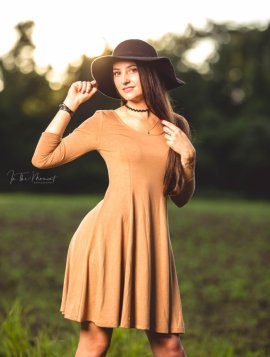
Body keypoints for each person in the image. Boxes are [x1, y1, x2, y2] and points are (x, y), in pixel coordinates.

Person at [32, 39, 196, 357]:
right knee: (96, 343)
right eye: (118, 72)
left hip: (152, 243)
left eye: (132, 70)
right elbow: (42, 159)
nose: (123, 78)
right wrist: (69, 106)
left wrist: (189, 161)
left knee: (170, 346)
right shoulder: (103, 122)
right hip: (104, 239)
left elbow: (180, 198)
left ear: (151, 75)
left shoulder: (176, 128)